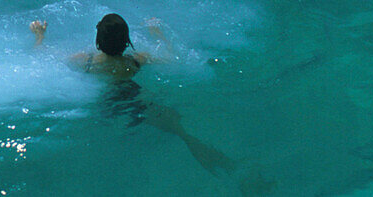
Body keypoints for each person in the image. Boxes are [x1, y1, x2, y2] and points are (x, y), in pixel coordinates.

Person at [30, 13, 235, 176]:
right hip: (135, 96)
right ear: (127, 41)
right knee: (180, 132)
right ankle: (216, 160)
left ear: (98, 41)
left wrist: (40, 35)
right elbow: (173, 59)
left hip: (106, 101)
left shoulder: (85, 61)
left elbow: (42, 55)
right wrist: (158, 34)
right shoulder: (136, 60)